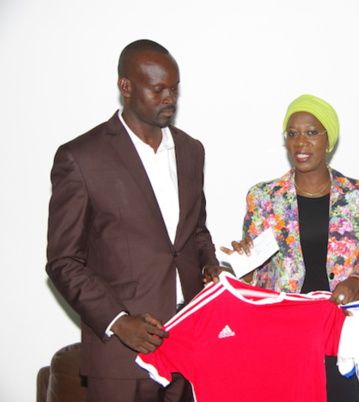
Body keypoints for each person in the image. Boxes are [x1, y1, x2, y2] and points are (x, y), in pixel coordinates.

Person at [46, 39, 219, 402]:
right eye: (158, 90)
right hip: (122, 354)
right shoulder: (81, 157)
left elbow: (195, 231)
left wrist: (211, 265)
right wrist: (118, 321)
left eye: (174, 89)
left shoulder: (191, 150)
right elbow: (63, 261)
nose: (170, 99)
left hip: (189, 346)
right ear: (125, 86)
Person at [210, 94, 359, 402]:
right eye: (292, 134)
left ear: (329, 140)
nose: (300, 142)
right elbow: (256, 279)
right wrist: (243, 263)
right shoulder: (264, 197)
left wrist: (356, 280)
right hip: (283, 333)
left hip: (343, 330)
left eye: (311, 132)